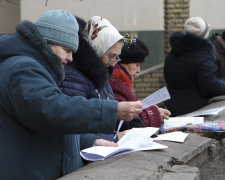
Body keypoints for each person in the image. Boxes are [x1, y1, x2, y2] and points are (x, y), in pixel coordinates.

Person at [0, 10, 142, 180]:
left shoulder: (34, 67)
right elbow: (51, 111)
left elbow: (51, 123)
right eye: (67, 50)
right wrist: (112, 111)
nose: (71, 58)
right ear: (47, 43)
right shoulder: (23, 69)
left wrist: (89, 141)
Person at [59, 16, 143, 136]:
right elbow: (75, 126)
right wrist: (114, 138)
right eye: (111, 56)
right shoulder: (73, 76)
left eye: (117, 57)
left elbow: (112, 113)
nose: (114, 62)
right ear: (97, 49)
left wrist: (133, 124)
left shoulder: (102, 73)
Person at [164, 17, 225, 117]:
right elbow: (210, 87)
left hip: (172, 107)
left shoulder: (172, 53)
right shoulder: (204, 56)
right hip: (195, 111)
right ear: (205, 34)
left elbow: (168, 79)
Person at [109, 34, 171, 127]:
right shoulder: (116, 83)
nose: (138, 71)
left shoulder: (119, 81)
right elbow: (127, 120)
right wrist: (153, 113)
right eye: (137, 65)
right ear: (124, 63)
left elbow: (130, 103)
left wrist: (150, 108)